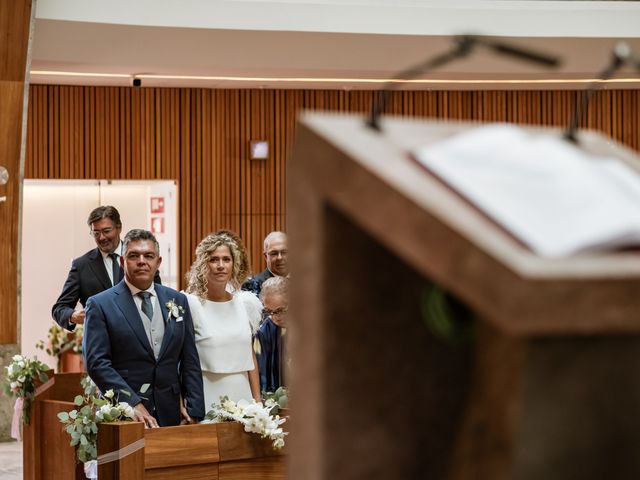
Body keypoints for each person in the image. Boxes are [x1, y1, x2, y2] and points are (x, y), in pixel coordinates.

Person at [84, 229, 204, 428]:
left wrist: (195, 410)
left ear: (158, 262)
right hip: (123, 415)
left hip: (172, 413)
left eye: (149, 256)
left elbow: (190, 359)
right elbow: (97, 363)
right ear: (122, 262)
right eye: (133, 256)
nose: (142, 261)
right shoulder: (100, 304)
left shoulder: (177, 300)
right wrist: (132, 403)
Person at [185, 230, 262, 409]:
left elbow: (249, 354)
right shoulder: (191, 304)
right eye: (213, 259)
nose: (221, 265)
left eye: (226, 259)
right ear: (203, 264)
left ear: (233, 264)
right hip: (206, 394)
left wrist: (257, 399)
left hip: (242, 395)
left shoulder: (245, 304)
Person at [52, 205, 160, 331]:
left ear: (119, 228)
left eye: (106, 231)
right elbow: (59, 308)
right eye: (96, 233)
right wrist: (73, 316)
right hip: (100, 342)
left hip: (141, 339)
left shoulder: (142, 258)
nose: (101, 238)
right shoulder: (81, 266)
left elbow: (157, 296)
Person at [255, 276, 290, 393]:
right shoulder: (264, 330)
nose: (275, 318)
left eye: (281, 311)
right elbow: (262, 374)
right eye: (269, 311)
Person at [242, 231, 289, 296]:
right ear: (266, 256)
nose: (279, 257)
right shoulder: (252, 286)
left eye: (284, 252)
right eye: (274, 253)